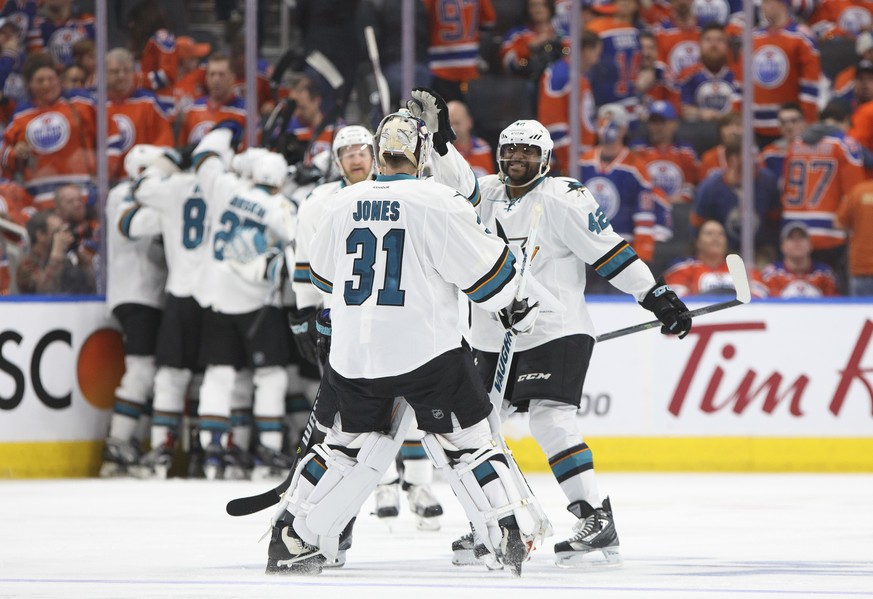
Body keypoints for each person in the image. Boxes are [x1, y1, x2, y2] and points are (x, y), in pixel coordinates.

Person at [409, 88, 692, 567]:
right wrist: (441, 145)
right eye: (509, 150)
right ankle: (493, 522)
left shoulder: (564, 198)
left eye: (527, 151)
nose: (517, 158)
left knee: (548, 417)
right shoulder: (489, 195)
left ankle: (595, 516)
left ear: (545, 158)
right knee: (478, 431)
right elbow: (457, 186)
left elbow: (609, 251)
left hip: (555, 330)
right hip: (490, 336)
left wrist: (654, 294)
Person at [267, 108, 550, 577]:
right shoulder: (438, 200)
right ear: (421, 154)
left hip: (354, 355)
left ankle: (291, 533)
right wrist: (517, 303)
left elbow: (321, 276)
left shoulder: (341, 203)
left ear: (378, 152)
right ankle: (503, 532)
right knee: (468, 444)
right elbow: (491, 280)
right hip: (426, 352)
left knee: (342, 447)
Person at [190, 129, 297, 480]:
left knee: (218, 376)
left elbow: (203, 158)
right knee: (271, 376)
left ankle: (212, 453)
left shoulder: (226, 188)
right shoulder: (280, 206)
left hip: (215, 296)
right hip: (256, 304)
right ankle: (268, 451)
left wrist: (223, 135)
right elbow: (298, 247)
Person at [101, 144, 168, 476]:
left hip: (151, 294)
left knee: (151, 374)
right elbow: (136, 225)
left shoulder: (143, 192)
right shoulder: (122, 194)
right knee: (140, 371)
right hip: (135, 293)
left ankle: (129, 443)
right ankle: (117, 445)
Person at [0, 52, 122, 208]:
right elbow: (4, 154)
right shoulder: (21, 114)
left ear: (59, 79)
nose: (46, 84)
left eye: (50, 79)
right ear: (30, 85)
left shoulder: (82, 103)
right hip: (39, 198)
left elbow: (112, 135)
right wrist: (15, 154)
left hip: (83, 194)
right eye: (40, 80)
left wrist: (105, 174)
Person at [579, 103, 672, 265]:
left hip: (620, 251)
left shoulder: (635, 168)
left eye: (610, 123)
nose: (604, 128)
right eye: (601, 122)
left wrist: (641, 259)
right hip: (586, 249)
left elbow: (645, 217)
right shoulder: (583, 162)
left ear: (623, 129)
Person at [105, 47, 173, 176]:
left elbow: (164, 142)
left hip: (140, 179)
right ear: (104, 74)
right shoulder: (96, 104)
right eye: (115, 71)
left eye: (127, 71)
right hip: (104, 180)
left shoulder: (149, 102)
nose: (121, 76)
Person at [665, 219, 768, 297]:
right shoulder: (682, 268)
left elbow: (760, 296)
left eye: (721, 234)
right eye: (709, 233)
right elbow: (677, 299)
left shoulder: (742, 269)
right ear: (697, 242)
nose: (716, 238)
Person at [16, 208, 95, 294]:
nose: (63, 236)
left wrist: (75, 248)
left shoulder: (65, 261)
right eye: (57, 231)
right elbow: (46, 291)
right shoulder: (27, 266)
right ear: (41, 235)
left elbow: (92, 285)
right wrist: (57, 253)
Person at [178, 53, 246, 147]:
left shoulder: (245, 113)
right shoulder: (192, 109)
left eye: (221, 74)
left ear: (232, 78)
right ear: (206, 78)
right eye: (212, 74)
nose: (216, 79)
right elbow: (182, 149)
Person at [762, 222, 838, 298]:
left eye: (802, 237)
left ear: (810, 245)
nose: (797, 242)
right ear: (782, 246)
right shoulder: (771, 275)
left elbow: (836, 305)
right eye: (791, 238)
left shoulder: (825, 274)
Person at [837, 179, 873, 296]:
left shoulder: (857, 192)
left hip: (861, 267)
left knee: (860, 312)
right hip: (860, 269)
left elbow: (839, 224)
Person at [447, 100, 494, 177]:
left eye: (457, 123)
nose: (453, 129)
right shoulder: (441, 154)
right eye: (450, 124)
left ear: (469, 122)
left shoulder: (483, 148)